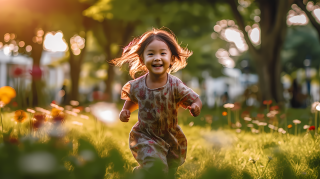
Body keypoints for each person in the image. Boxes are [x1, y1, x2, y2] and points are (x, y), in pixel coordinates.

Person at [111, 28, 202, 178]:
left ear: (172, 59)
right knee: (157, 168)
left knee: (170, 171)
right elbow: (132, 100)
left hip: (170, 135)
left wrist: (195, 107)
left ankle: (140, 174)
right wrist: (125, 111)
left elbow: (195, 99)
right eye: (151, 54)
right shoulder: (137, 86)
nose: (157, 58)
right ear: (142, 59)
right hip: (145, 135)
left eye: (163, 53)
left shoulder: (175, 85)